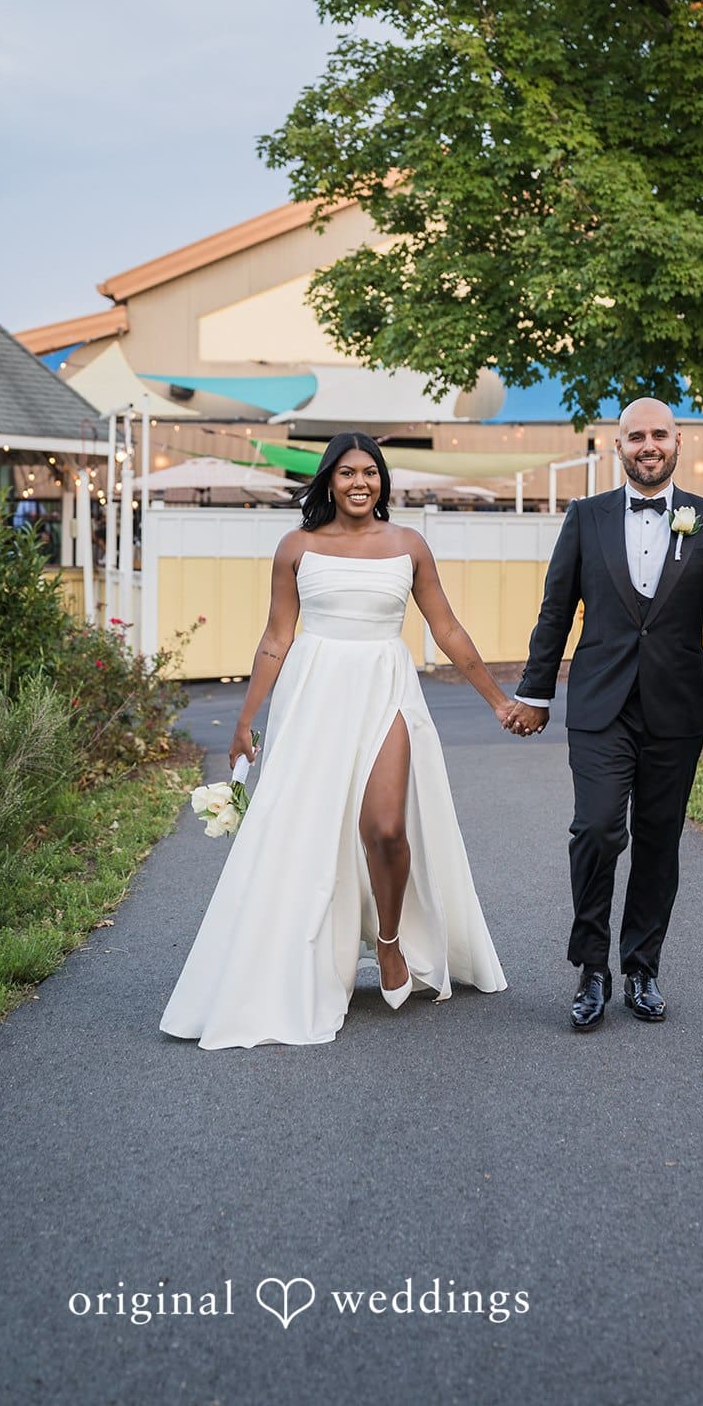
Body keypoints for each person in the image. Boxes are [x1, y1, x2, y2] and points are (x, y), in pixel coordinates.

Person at [160, 432, 509, 1049]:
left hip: (386, 686)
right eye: (346, 472)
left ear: (382, 482)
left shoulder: (409, 545)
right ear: (328, 481)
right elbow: (276, 636)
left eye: (370, 472)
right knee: (308, 829)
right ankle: (309, 955)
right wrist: (245, 720)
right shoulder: (296, 547)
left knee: (387, 827)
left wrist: (498, 699)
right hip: (315, 694)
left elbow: (447, 627)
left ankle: (392, 940)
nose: (359, 482)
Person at [502, 398, 703, 1032]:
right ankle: (592, 967)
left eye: (660, 435)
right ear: (616, 447)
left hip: (675, 710)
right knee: (595, 830)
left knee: (657, 842)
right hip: (600, 705)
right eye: (635, 436)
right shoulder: (585, 518)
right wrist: (536, 693)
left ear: (678, 444)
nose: (648, 445)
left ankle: (642, 966)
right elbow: (555, 609)